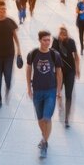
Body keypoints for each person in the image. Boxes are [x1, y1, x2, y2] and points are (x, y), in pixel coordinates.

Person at [26, 31, 62, 159]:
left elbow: (59, 72)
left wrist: (59, 90)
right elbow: (29, 69)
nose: (47, 42)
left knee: (47, 118)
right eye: (45, 40)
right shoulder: (33, 54)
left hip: (50, 91)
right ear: (39, 40)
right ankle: (44, 136)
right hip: (37, 90)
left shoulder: (54, 54)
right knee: (40, 119)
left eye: (49, 40)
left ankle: (44, 143)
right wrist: (28, 88)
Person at [51, 26, 80, 127]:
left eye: (65, 34)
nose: (63, 36)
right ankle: (60, 105)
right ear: (59, 34)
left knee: (69, 94)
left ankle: (67, 118)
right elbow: (51, 56)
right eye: (61, 34)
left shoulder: (71, 42)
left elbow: (76, 55)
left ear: (67, 34)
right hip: (59, 72)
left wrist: (77, 68)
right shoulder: (55, 42)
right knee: (58, 91)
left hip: (70, 71)